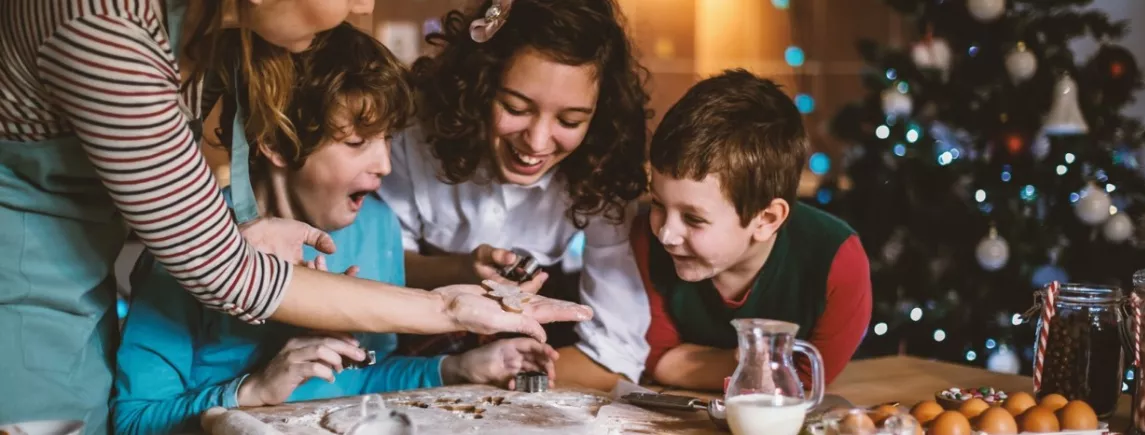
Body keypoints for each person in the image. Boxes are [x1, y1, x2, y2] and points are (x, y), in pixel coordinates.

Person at [0, 0, 588, 432]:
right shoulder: (100, 25)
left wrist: (456, 366)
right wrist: (445, 306)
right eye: (358, 142)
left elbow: (356, 381)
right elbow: (215, 268)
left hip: (78, 305)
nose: (363, 6)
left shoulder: (203, 37)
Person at [378, 0, 651, 388]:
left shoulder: (603, 164)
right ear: (478, 85)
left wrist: (502, 374)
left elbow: (618, 354)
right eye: (515, 107)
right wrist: (460, 270)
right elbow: (380, 270)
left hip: (524, 355)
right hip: (403, 358)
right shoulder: (413, 132)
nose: (537, 142)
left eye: (570, 120)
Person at [630, 69, 872, 390]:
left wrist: (695, 362)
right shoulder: (645, 239)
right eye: (658, 203)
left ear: (767, 220)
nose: (666, 234)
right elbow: (653, 358)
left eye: (694, 219)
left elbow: (802, 383)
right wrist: (753, 364)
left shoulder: (837, 261)